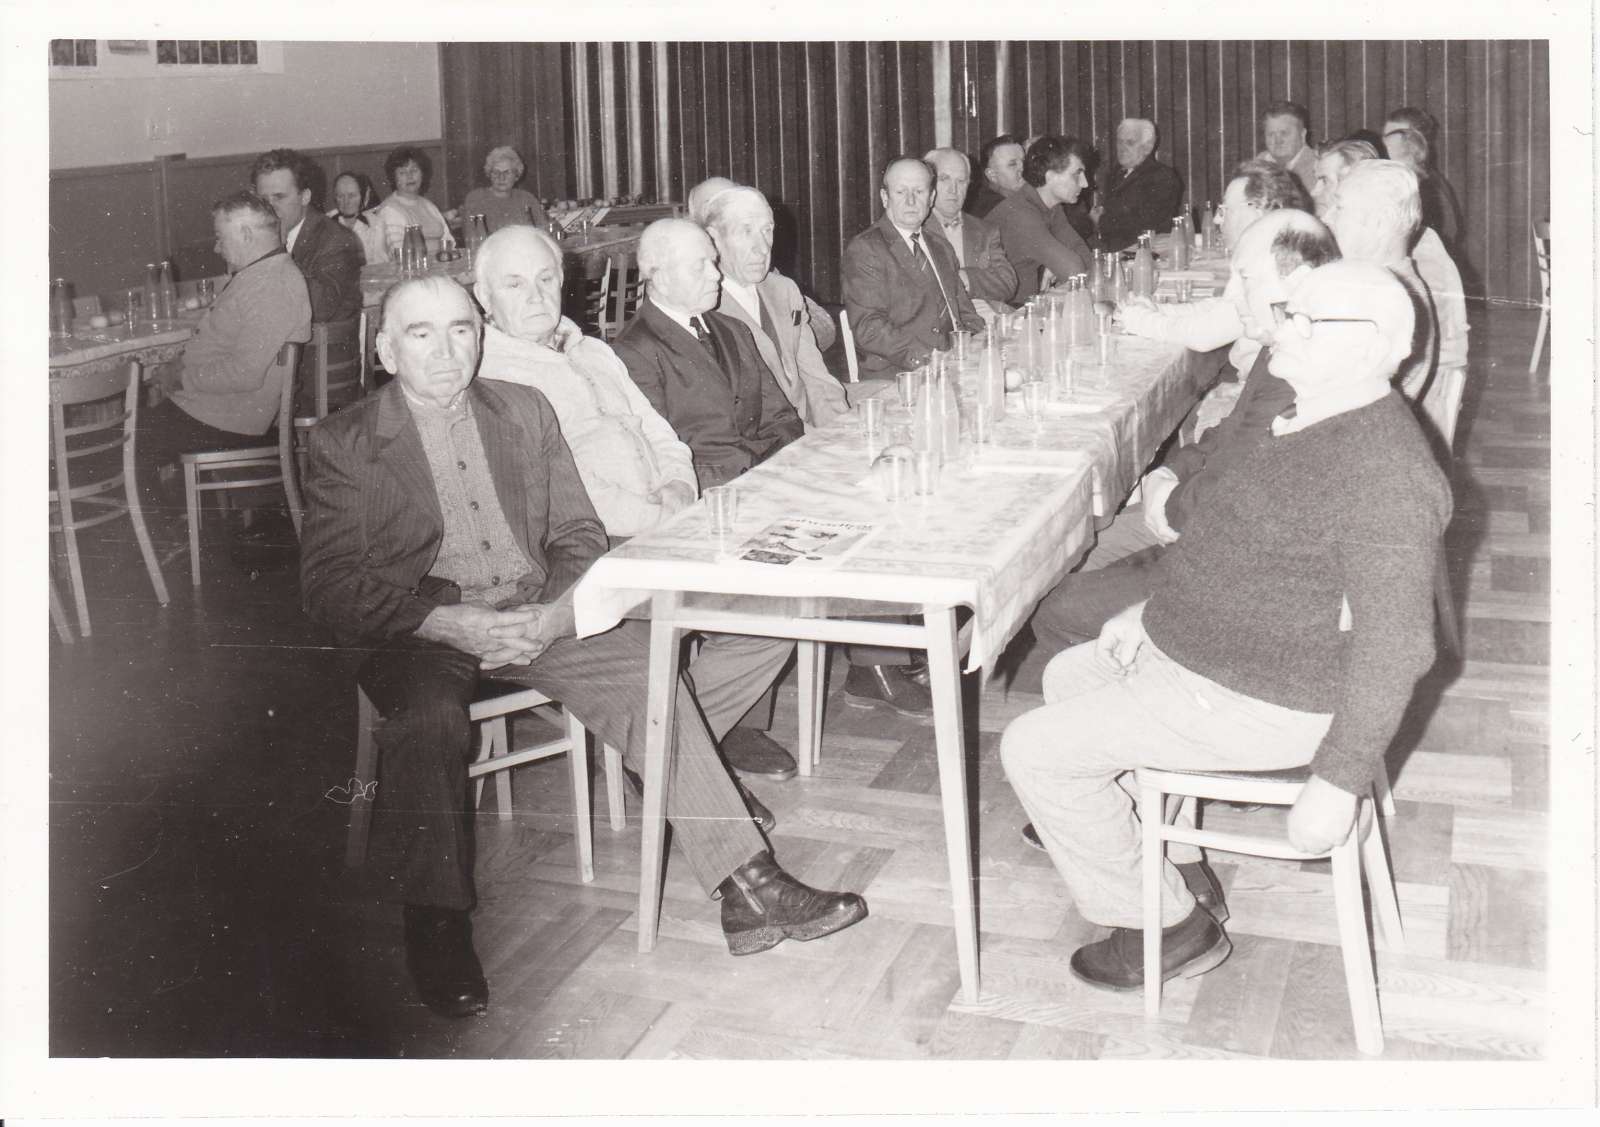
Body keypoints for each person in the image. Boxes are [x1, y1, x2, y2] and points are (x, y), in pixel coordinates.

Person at [299, 274, 869, 1017]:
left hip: (534, 611)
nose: (445, 351)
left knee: (648, 678)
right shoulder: (346, 440)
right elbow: (329, 586)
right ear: (384, 350)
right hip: (420, 630)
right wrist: (444, 622)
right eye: (421, 334)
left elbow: (577, 534)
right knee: (430, 721)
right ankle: (436, 922)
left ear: (480, 337)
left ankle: (749, 887)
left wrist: (555, 613)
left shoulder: (523, 409)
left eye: (461, 330)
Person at [1002, 259, 1451, 991]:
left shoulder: (1386, 473)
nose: (1282, 330)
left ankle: (1168, 927)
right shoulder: (1309, 415)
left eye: (1306, 320)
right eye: (1287, 311)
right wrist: (1147, 614)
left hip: (1272, 697)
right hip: (1222, 659)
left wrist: (1337, 780)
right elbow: (1230, 549)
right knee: (1068, 674)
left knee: (1032, 749)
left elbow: (1396, 644)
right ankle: (1171, 861)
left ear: (1371, 345)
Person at [473, 225, 801, 787]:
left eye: (546, 279)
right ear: (484, 297)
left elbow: (660, 432)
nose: (536, 296)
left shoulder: (592, 349)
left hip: (667, 519)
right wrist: (663, 520)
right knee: (761, 609)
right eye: (514, 284)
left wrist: (679, 487)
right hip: (602, 547)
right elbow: (574, 495)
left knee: (778, 605)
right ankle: (675, 763)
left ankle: (660, 751)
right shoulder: (494, 375)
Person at [1026, 210, 1340, 681]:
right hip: (1208, 519)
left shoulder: (1301, 368)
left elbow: (1231, 499)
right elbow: (1231, 431)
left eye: (1246, 279)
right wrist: (1170, 471)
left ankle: (1152, 701)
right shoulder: (1283, 340)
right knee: (1066, 557)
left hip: (1229, 560)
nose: (1235, 296)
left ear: (1293, 282)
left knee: (1056, 607)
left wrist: (1169, 504)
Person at [139, 192, 311, 515]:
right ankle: (184, 531)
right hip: (217, 410)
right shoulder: (261, 274)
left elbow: (244, 374)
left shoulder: (271, 284)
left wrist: (179, 379)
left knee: (123, 441)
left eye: (220, 237)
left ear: (245, 234)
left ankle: (158, 538)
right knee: (138, 424)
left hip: (228, 420)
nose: (217, 248)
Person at [1117, 158, 1308, 441]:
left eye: (1224, 210)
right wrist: (1160, 310)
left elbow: (1205, 334)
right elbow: (1223, 307)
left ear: (1257, 211)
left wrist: (1141, 321)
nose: (1217, 219)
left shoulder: (1270, 264)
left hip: (1261, 396)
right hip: (1252, 382)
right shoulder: (1266, 250)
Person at [1314, 145, 1468, 387]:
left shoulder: (1389, 301)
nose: (1328, 218)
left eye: (1340, 208)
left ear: (1380, 221)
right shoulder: (1375, 283)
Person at [704, 184, 850, 427]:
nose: (762, 248)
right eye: (746, 231)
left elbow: (817, 378)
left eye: (767, 230)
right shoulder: (706, 308)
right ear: (713, 239)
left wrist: (839, 431)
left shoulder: (784, 290)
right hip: (766, 437)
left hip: (807, 426)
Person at [841, 157, 984, 376]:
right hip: (903, 373)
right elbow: (869, 328)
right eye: (901, 192)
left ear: (931, 198)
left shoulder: (940, 246)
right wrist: (931, 360)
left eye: (919, 192)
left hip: (955, 363)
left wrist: (976, 344)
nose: (911, 201)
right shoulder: (866, 249)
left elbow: (964, 312)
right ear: (885, 198)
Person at [688, 175, 838, 355]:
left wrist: (791, 335)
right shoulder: (697, 297)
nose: (763, 249)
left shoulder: (771, 279)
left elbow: (823, 327)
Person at [250, 149, 364, 327]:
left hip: (319, 342)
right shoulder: (257, 234)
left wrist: (275, 252)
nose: (270, 207)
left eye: (279, 197)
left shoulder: (337, 239)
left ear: (304, 197)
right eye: (264, 200)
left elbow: (319, 309)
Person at [988, 135, 1094, 302]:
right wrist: (1054, 267)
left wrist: (1053, 267)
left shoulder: (1050, 205)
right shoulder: (1020, 214)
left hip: (1026, 304)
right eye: (1077, 174)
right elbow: (1074, 271)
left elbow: (1081, 252)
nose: (1085, 183)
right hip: (1005, 309)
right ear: (1050, 176)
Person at [922, 146, 1018, 316]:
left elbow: (1008, 283)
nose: (953, 190)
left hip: (984, 319)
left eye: (961, 181)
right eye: (944, 179)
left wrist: (967, 278)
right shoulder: (916, 228)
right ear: (928, 184)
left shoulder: (985, 230)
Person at [1092, 118, 1185, 253]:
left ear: (1147, 147)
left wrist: (1100, 221)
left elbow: (1146, 224)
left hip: (1147, 253)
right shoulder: (1115, 174)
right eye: (1119, 141)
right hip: (1114, 250)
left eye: (1130, 143)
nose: (1122, 148)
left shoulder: (1162, 176)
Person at [1382, 106, 1463, 252]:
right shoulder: (1399, 180)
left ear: (1419, 141)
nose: (1386, 144)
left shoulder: (1430, 188)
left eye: (1397, 135)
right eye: (1385, 136)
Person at [375, 145, 455, 259]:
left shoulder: (429, 205)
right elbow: (401, 254)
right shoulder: (389, 210)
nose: (410, 176)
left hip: (441, 264)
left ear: (422, 173)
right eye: (402, 172)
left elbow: (449, 243)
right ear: (394, 178)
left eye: (414, 170)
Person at [457, 145, 549, 234]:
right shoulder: (476, 198)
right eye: (496, 172)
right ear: (489, 174)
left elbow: (544, 232)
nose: (501, 177)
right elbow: (472, 237)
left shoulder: (527, 198)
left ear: (516, 175)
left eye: (507, 172)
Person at [1256, 100, 1317, 199]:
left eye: (1284, 133)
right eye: (1271, 134)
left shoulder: (1317, 166)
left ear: (1302, 135)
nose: (1278, 141)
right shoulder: (1259, 163)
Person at [329, 171, 388, 266]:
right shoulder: (326, 223)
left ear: (362, 197)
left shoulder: (375, 223)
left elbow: (381, 264)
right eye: (341, 196)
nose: (346, 202)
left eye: (351, 196)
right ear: (335, 198)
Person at [968, 134, 1025, 219]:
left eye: (1024, 161)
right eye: (1012, 164)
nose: (1023, 168)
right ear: (992, 175)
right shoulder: (995, 208)